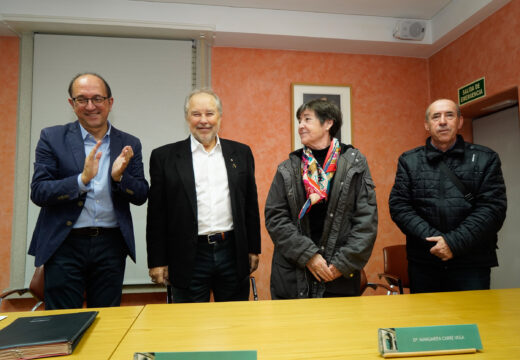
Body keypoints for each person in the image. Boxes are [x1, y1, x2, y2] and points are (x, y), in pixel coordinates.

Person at [29, 73, 149, 309]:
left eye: (97, 98)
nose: (90, 106)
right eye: (82, 99)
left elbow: (142, 194)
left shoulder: (129, 143)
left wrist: (119, 177)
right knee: (63, 322)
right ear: (71, 104)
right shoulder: (52, 138)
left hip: (111, 245)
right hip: (65, 244)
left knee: (106, 321)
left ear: (110, 102)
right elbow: (39, 191)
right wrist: (81, 180)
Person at [146, 88, 261, 302]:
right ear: (186, 118)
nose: (203, 120)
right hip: (187, 256)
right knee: (190, 326)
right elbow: (156, 214)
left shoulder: (241, 153)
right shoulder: (164, 157)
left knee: (236, 324)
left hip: (232, 253)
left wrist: (253, 249)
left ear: (220, 116)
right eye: (196, 114)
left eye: (209, 113)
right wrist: (157, 261)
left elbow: (250, 206)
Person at [389, 99, 507, 293]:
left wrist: (453, 242)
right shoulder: (409, 161)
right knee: (428, 321)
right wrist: (436, 241)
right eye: (436, 116)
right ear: (427, 125)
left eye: (449, 115)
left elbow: (492, 209)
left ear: (459, 122)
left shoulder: (487, 158)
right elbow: (400, 207)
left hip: (471, 264)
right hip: (425, 263)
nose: (442, 121)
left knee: (472, 319)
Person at [265, 99, 378, 299]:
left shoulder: (355, 164)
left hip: (338, 277)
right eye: (299, 120)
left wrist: (341, 264)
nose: (300, 126)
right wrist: (308, 256)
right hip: (294, 274)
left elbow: (366, 221)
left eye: (307, 119)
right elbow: (276, 218)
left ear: (328, 123)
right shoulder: (287, 168)